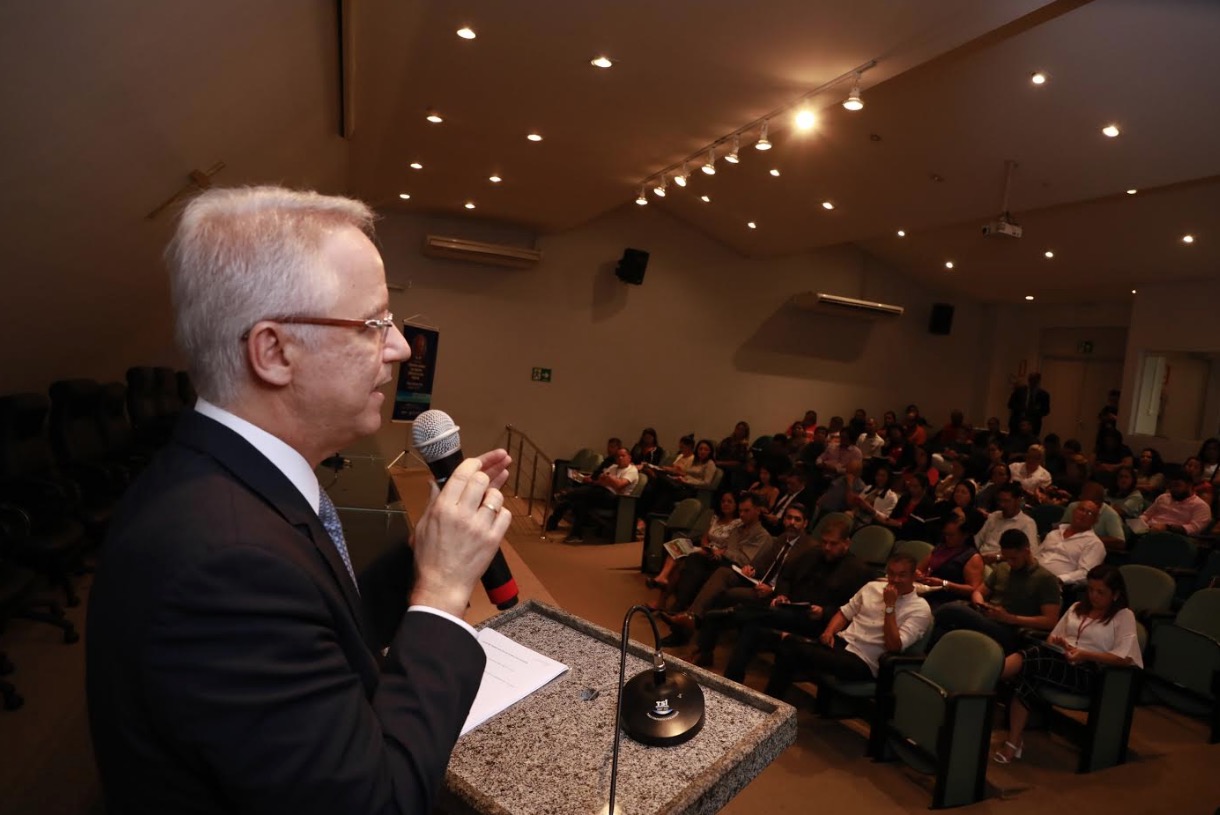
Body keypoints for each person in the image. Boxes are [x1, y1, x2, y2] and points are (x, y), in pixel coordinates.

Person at [86, 187, 515, 814]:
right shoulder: (225, 564)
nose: (399, 346)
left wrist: (424, 556)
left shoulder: (227, 476)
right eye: (373, 324)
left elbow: (317, 622)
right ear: (274, 351)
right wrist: (443, 594)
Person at [993, 565, 1142, 764]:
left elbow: (1125, 658)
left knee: (1032, 659)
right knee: (1028, 674)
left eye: (1100, 592)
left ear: (1115, 595)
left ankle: (989, 676)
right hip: (1061, 661)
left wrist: (1085, 654)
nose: (1093, 596)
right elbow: (1052, 638)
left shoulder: (1123, 616)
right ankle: (1014, 741)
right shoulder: (1076, 607)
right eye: (1090, 589)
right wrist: (1060, 644)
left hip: (1092, 673)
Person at [718, 515, 872, 681]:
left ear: (846, 543)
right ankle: (731, 680)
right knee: (753, 626)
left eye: (833, 544)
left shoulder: (858, 571)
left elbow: (850, 610)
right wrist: (783, 594)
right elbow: (786, 576)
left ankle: (738, 612)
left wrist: (824, 612)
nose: (827, 547)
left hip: (817, 623)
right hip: (792, 609)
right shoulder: (814, 554)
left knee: (756, 617)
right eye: (824, 542)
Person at [763, 553, 932, 700]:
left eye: (902, 575)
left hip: (865, 661)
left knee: (791, 648)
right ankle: (772, 705)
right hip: (842, 644)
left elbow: (894, 646)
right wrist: (829, 632)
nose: (895, 580)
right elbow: (844, 613)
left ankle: (769, 708)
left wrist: (890, 607)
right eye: (891, 574)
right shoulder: (872, 587)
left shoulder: (920, 609)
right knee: (788, 648)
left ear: (913, 576)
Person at [673, 503, 816, 655]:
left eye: (797, 519)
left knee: (729, 594)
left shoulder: (810, 548)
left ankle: (701, 642)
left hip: (776, 594)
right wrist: (751, 569)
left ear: (805, 523)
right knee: (723, 573)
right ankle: (691, 617)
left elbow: (800, 583)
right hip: (759, 582)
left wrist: (773, 590)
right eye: (788, 518)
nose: (792, 523)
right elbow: (764, 563)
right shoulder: (782, 538)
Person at [932, 529, 1060, 653]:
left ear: (1026, 552)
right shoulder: (1003, 568)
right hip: (989, 617)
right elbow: (978, 592)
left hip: (1011, 630)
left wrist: (1011, 618)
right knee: (944, 627)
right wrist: (981, 605)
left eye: (1014, 558)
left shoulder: (1045, 579)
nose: (1010, 563)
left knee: (952, 609)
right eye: (1006, 558)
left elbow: (1050, 621)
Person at [546, 445, 638, 542]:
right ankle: (574, 534)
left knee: (583, 494)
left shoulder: (632, 470)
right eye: (618, 456)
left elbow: (619, 485)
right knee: (580, 501)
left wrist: (609, 478)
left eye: (623, 456)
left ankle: (566, 495)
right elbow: (600, 480)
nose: (620, 458)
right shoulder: (613, 467)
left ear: (629, 457)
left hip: (616, 499)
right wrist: (609, 480)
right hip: (601, 492)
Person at [914, 518, 985, 610]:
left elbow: (973, 589)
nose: (947, 538)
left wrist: (944, 584)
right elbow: (919, 569)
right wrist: (918, 574)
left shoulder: (973, 557)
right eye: (945, 534)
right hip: (928, 593)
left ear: (965, 535)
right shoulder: (940, 548)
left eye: (951, 535)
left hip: (948, 601)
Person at [1038, 501, 1107, 588]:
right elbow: (1037, 555)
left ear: (1095, 520)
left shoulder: (1094, 544)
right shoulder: (1054, 533)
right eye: (1081, 510)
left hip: (1057, 585)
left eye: (1089, 513)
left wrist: (1060, 579)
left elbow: (1086, 574)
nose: (1084, 514)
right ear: (1073, 511)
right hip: (1033, 575)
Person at [974, 483, 1040, 563]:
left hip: (1003, 563)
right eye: (1000, 501)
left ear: (1018, 501)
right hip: (981, 558)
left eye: (1006, 501)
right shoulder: (994, 516)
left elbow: (1030, 554)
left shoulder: (1027, 523)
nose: (1002, 505)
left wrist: (998, 557)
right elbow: (977, 540)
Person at [1139, 467, 1213, 536]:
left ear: (1189, 485)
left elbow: (1194, 529)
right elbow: (1146, 515)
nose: (1173, 489)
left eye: (1177, 485)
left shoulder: (1200, 506)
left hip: (1174, 537)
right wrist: (1141, 521)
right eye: (1171, 486)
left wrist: (1167, 527)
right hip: (1148, 530)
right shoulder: (1163, 497)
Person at [1008, 371, 1051, 436]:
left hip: (1034, 424)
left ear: (1038, 381)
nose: (1032, 382)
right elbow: (1010, 404)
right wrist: (1021, 409)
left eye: (1034, 380)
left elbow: (1046, 410)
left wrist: (1036, 411)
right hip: (1017, 422)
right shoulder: (1019, 391)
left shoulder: (1043, 395)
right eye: (1031, 379)